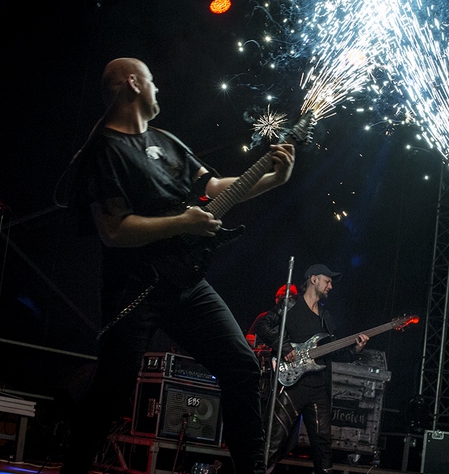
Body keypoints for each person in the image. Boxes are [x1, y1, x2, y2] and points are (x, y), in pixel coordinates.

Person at [62, 57, 295, 474]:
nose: (158, 90)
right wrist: (182, 222)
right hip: (134, 288)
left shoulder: (166, 142)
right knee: (112, 391)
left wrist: (271, 180)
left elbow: (215, 187)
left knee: (241, 366)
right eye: (152, 81)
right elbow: (114, 231)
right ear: (133, 83)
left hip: (185, 284)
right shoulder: (104, 151)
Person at [255, 264, 369, 474]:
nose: (331, 286)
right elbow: (262, 326)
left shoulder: (326, 318)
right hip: (291, 385)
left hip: (318, 389)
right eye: (328, 281)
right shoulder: (289, 305)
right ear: (313, 279)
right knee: (274, 438)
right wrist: (284, 346)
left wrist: (355, 349)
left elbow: (332, 353)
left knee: (323, 444)